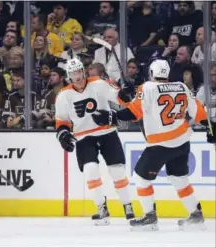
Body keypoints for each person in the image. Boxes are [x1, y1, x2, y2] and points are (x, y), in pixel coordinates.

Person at [91, 59, 216, 230]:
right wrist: (211, 127)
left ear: (151, 73)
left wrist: (112, 117)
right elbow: (199, 111)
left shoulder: (147, 87)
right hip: (182, 141)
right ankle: (195, 214)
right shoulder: (181, 86)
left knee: (141, 178)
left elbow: (133, 112)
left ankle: (150, 217)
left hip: (160, 143)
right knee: (179, 178)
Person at [55, 58, 135, 225]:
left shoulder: (98, 83)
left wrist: (125, 93)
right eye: (73, 73)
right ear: (69, 76)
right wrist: (63, 134)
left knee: (117, 171)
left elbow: (119, 97)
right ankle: (101, 208)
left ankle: (128, 205)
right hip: (83, 136)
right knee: (91, 169)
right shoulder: (63, 95)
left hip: (107, 132)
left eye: (79, 71)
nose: (77, 76)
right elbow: (62, 121)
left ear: (84, 71)